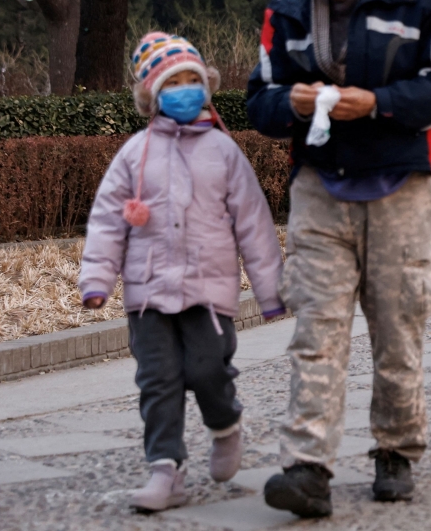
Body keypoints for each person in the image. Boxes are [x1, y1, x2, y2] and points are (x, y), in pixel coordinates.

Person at [245, 0, 431, 517]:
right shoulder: (286, 9)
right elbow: (256, 100)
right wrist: (287, 101)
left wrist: (376, 104)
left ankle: (396, 450)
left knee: (400, 326)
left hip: (401, 184)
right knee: (316, 328)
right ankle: (306, 466)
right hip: (319, 186)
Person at [78, 33, 284, 512]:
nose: (186, 89)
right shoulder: (134, 153)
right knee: (158, 380)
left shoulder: (224, 151)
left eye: (195, 80)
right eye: (175, 82)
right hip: (148, 294)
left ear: (207, 88)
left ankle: (225, 426)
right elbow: (110, 219)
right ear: (153, 94)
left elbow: (253, 222)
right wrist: (96, 279)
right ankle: (165, 470)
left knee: (208, 369)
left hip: (209, 292)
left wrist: (270, 290)